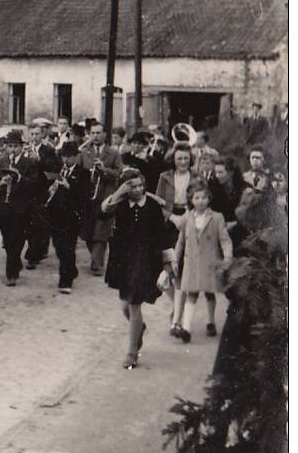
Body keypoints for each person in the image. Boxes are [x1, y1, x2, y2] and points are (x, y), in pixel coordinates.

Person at [100, 169, 176, 370]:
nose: (138, 189)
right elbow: (103, 211)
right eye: (132, 186)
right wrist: (119, 193)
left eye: (140, 185)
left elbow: (162, 235)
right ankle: (139, 328)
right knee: (125, 306)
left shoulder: (151, 206)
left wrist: (168, 264)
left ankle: (132, 353)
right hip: (123, 259)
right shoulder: (120, 204)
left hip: (145, 260)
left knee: (134, 304)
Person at [170, 181, 232, 343]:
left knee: (209, 293)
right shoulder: (187, 217)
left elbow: (225, 240)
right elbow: (181, 241)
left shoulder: (217, 217)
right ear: (191, 200)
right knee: (192, 293)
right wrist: (175, 259)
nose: (201, 201)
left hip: (210, 262)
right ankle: (186, 328)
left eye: (204, 197)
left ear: (209, 199)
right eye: (197, 198)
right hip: (192, 263)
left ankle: (210, 321)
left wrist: (227, 258)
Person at [0, 130, 41, 286]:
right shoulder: (1, 161)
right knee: (7, 241)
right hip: (3, 207)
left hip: (21, 208)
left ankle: (11, 274)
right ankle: (15, 263)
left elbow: (35, 185)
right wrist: (1, 183)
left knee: (17, 239)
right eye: (10, 146)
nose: (12, 150)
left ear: (21, 147)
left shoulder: (30, 163)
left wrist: (19, 177)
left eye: (15, 146)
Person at [44, 142, 91, 294]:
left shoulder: (84, 173)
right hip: (57, 215)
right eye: (64, 156)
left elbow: (84, 195)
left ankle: (65, 281)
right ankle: (71, 270)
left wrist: (69, 186)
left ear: (76, 157)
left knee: (68, 248)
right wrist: (52, 189)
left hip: (72, 216)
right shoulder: (60, 170)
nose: (66, 160)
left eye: (69, 157)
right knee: (58, 247)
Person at [79, 122, 124, 275]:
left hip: (105, 195)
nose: (95, 136)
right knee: (89, 231)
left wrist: (105, 170)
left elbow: (119, 174)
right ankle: (95, 258)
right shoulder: (84, 152)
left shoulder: (113, 153)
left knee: (101, 230)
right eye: (93, 133)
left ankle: (97, 263)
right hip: (88, 197)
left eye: (98, 133)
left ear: (105, 135)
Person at [25, 122, 59, 268]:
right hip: (26, 191)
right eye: (32, 134)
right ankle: (36, 249)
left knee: (38, 223)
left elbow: (54, 168)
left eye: (37, 134)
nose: (34, 137)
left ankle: (33, 255)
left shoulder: (48, 150)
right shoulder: (25, 148)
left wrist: (39, 160)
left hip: (41, 190)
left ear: (42, 134)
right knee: (28, 223)